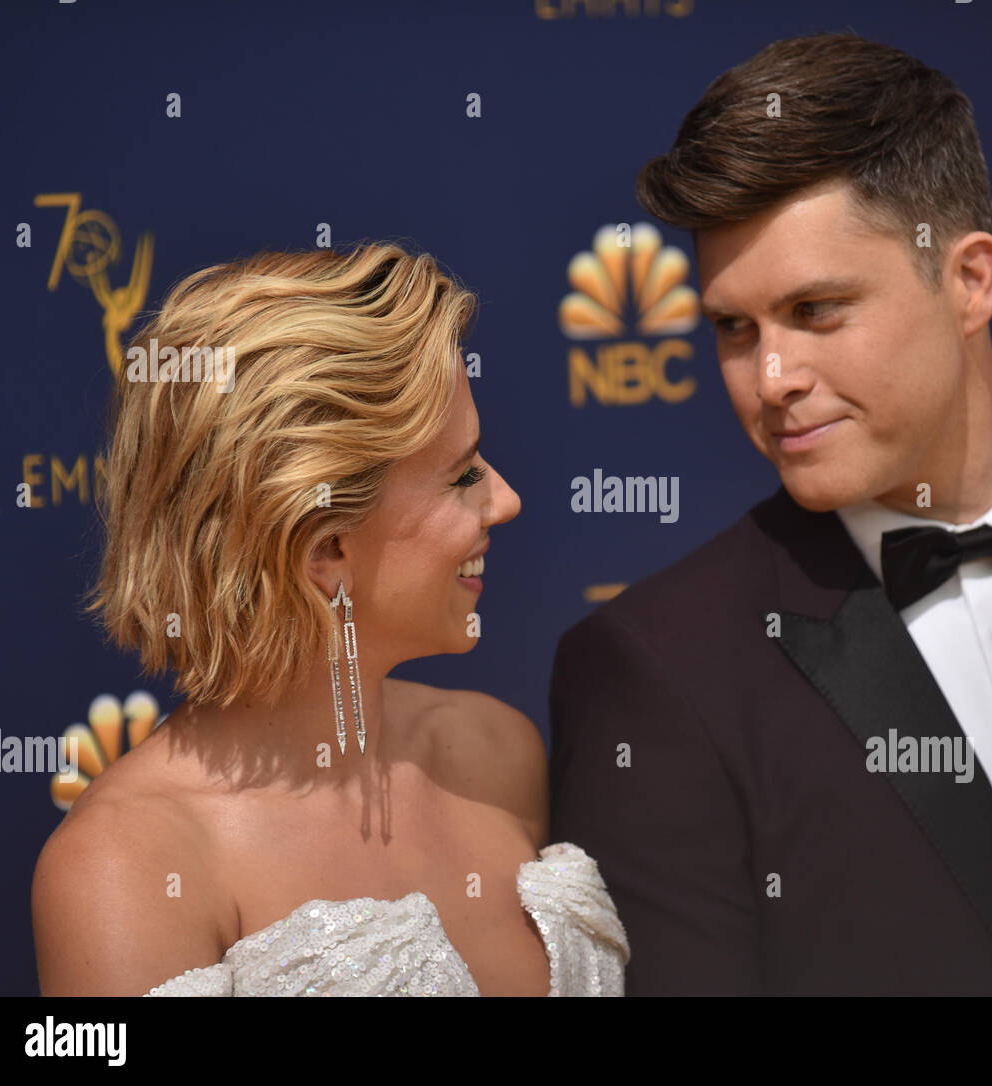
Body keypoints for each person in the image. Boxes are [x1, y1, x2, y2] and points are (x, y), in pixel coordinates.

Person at [548, 31, 992, 996]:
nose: (771, 379)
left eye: (816, 310)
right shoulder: (654, 669)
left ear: (970, 280)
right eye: (734, 327)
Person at [32, 243, 628, 996]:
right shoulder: (128, 867)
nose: (504, 500)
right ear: (325, 549)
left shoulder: (495, 753)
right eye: (462, 475)